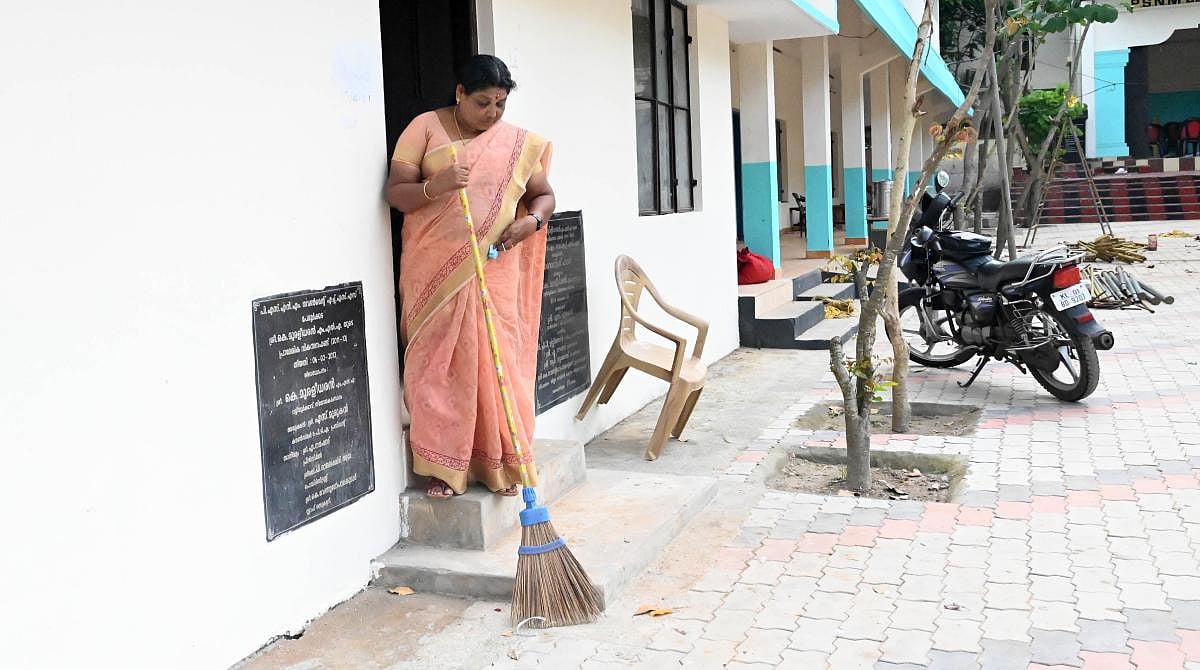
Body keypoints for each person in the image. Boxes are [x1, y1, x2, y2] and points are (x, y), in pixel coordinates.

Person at [385, 55, 555, 499]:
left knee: (498, 362)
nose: (492, 115)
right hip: (433, 272)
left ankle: (499, 462)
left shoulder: (516, 143)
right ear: (459, 93)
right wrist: (434, 187)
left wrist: (531, 223)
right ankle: (443, 468)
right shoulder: (424, 128)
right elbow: (395, 193)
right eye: (483, 103)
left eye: (500, 105)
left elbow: (543, 196)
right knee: (436, 367)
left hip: (494, 269)